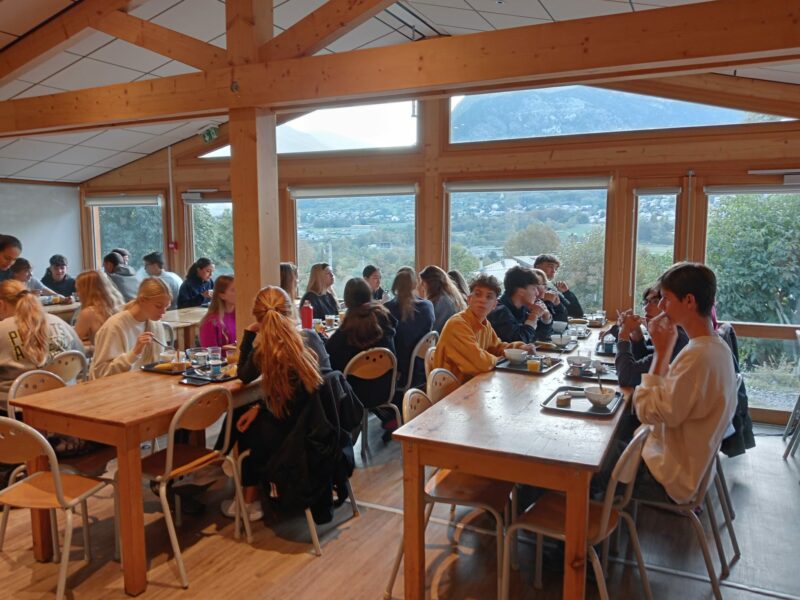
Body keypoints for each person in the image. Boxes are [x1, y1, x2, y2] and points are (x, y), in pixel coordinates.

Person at [629, 262, 737, 504]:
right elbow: (672, 398)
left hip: (669, 476)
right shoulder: (715, 347)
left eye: (666, 299)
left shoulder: (698, 357)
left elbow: (645, 412)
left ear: (689, 301)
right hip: (688, 463)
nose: (661, 306)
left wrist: (661, 353)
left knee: (590, 463)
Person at [227, 286, 336, 521]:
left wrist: (249, 335)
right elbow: (302, 394)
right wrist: (261, 407)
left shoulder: (265, 351)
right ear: (291, 311)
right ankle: (242, 480)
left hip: (293, 436)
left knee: (242, 425)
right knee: (250, 416)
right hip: (319, 429)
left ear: (259, 318)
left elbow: (243, 376)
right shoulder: (312, 338)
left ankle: (248, 499)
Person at [326, 278, 397, 435]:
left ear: (347, 300)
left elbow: (331, 358)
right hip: (385, 387)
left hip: (353, 396)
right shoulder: (384, 318)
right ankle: (386, 415)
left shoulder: (346, 331)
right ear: (369, 294)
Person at [432, 274, 534, 384]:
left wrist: (520, 348)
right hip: (453, 389)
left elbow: (496, 347)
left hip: (474, 383)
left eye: (489, 297)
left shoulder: (485, 324)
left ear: (494, 305)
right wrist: (501, 359)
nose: (482, 300)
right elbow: (479, 363)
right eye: (478, 294)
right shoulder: (457, 324)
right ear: (469, 299)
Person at [0, 279, 84, 406]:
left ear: (1, 304)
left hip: (17, 411)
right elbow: (80, 357)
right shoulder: (59, 322)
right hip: (64, 404)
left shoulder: (2, 329)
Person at [89, 277, 171, 379]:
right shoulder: (114, 326)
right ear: (142, 300)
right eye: (158, 306)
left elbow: (159, 362)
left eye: (166, 307)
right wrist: (134, 353)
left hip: (143, 382)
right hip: (116, 386)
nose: (163, 312)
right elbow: (100, 373)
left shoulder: (155, 323)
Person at [614, 285, 689, 388]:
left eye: (655, 302)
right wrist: (636, 333)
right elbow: (643, 360)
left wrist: (623, 334)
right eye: (646, 302)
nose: (646, 308)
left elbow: (626, 377)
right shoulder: (672, 332)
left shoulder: (677, 339)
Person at [385, 267, 434, 389]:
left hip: (398, 370)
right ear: (415, 284)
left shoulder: (387, 309)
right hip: (423, 367)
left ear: (395, 285)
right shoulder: (428, 306)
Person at [487, 265, 552, 344]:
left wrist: (546, 319)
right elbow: (518, 343)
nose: (537, 293)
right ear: (521, 291)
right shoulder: (499, 311)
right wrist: (533, 317)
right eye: (534, 288)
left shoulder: (523, 308)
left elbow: (541, 338)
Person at [73, 270, 124, 353]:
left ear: (85, 291)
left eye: (78, 290)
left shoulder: (88, 313)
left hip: (104, 358)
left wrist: (89, 347)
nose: (77, 294)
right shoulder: (118, 306)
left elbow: (73, 343)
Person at [534, 254, 584, 320]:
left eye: (556, 268)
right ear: (537, 267)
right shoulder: (530, 292)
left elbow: (577, 314)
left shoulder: (550, 291)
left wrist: (566, 292)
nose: (554, 271)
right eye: (550, 266)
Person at [418, 265, 466, 333]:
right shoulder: (450, 297)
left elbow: (433, 329)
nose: (422, 288)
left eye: (423, 283)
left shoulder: (443, 302)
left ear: (431, 284)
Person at [199, 275, 237, 348]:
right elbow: (210, 352)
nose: (240, 292)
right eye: (234, 290)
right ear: (222, 295)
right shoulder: (210, 322)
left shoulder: (241, 316)